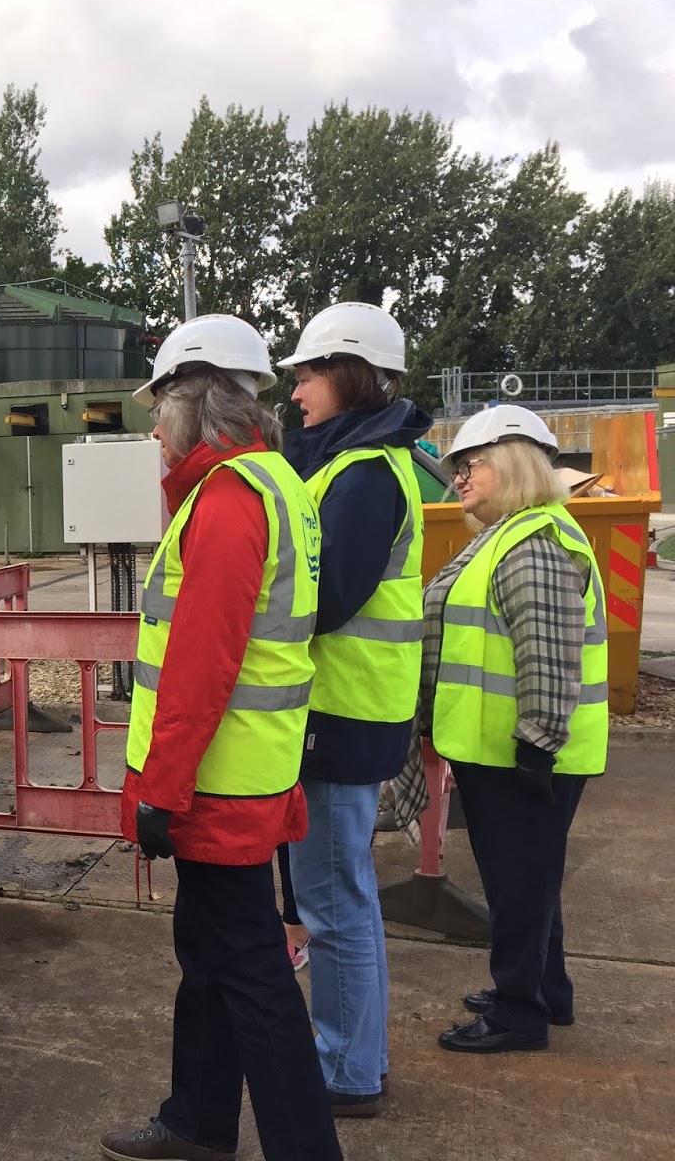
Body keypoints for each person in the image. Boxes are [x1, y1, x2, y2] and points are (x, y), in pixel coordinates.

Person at [100, 315, 343, 1161]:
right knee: (207, 956)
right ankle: (198, 1121)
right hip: (242, 780)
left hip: (219, 790)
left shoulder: (233, 500)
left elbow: (201, 668)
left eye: (161, 404)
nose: (153, 427)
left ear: (195, 402)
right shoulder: (276, 487)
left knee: (252, 979)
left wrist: (160, 792)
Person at [274, 302, 432, 1117]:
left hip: (341, 715)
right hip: (353, 711)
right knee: (342, 896)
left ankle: (345, 1069)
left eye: (307, 374)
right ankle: (351, 1049)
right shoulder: (356, 461)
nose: (296, 391)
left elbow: (325, 596)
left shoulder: (365, 473)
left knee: (334, 901)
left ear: (349, 374)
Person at [422, 404, 608, 1054]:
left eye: (469, 466)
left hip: (523, 753)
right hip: (498, 748)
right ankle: (545, 990)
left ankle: (518, 1011)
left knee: (518, 882)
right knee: (530, 877)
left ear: (511, 463)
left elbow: (549, 654)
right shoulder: (512, 534)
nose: (459, 480)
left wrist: (537, 743)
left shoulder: (536, 544)